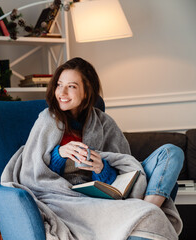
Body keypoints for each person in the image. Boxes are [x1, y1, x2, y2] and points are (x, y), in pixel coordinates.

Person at [45, 57, 184, 207]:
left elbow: (124, 175)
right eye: (59, 85)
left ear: (86, 91)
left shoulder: (105, 123)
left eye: (71, 86)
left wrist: (101, 168)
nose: (62, 92)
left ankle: (149, 208)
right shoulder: (46, 121)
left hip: (106, 192)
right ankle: (146, 213)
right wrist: (60, 154)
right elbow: (35, 173)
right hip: (69, 194)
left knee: (172, 152)